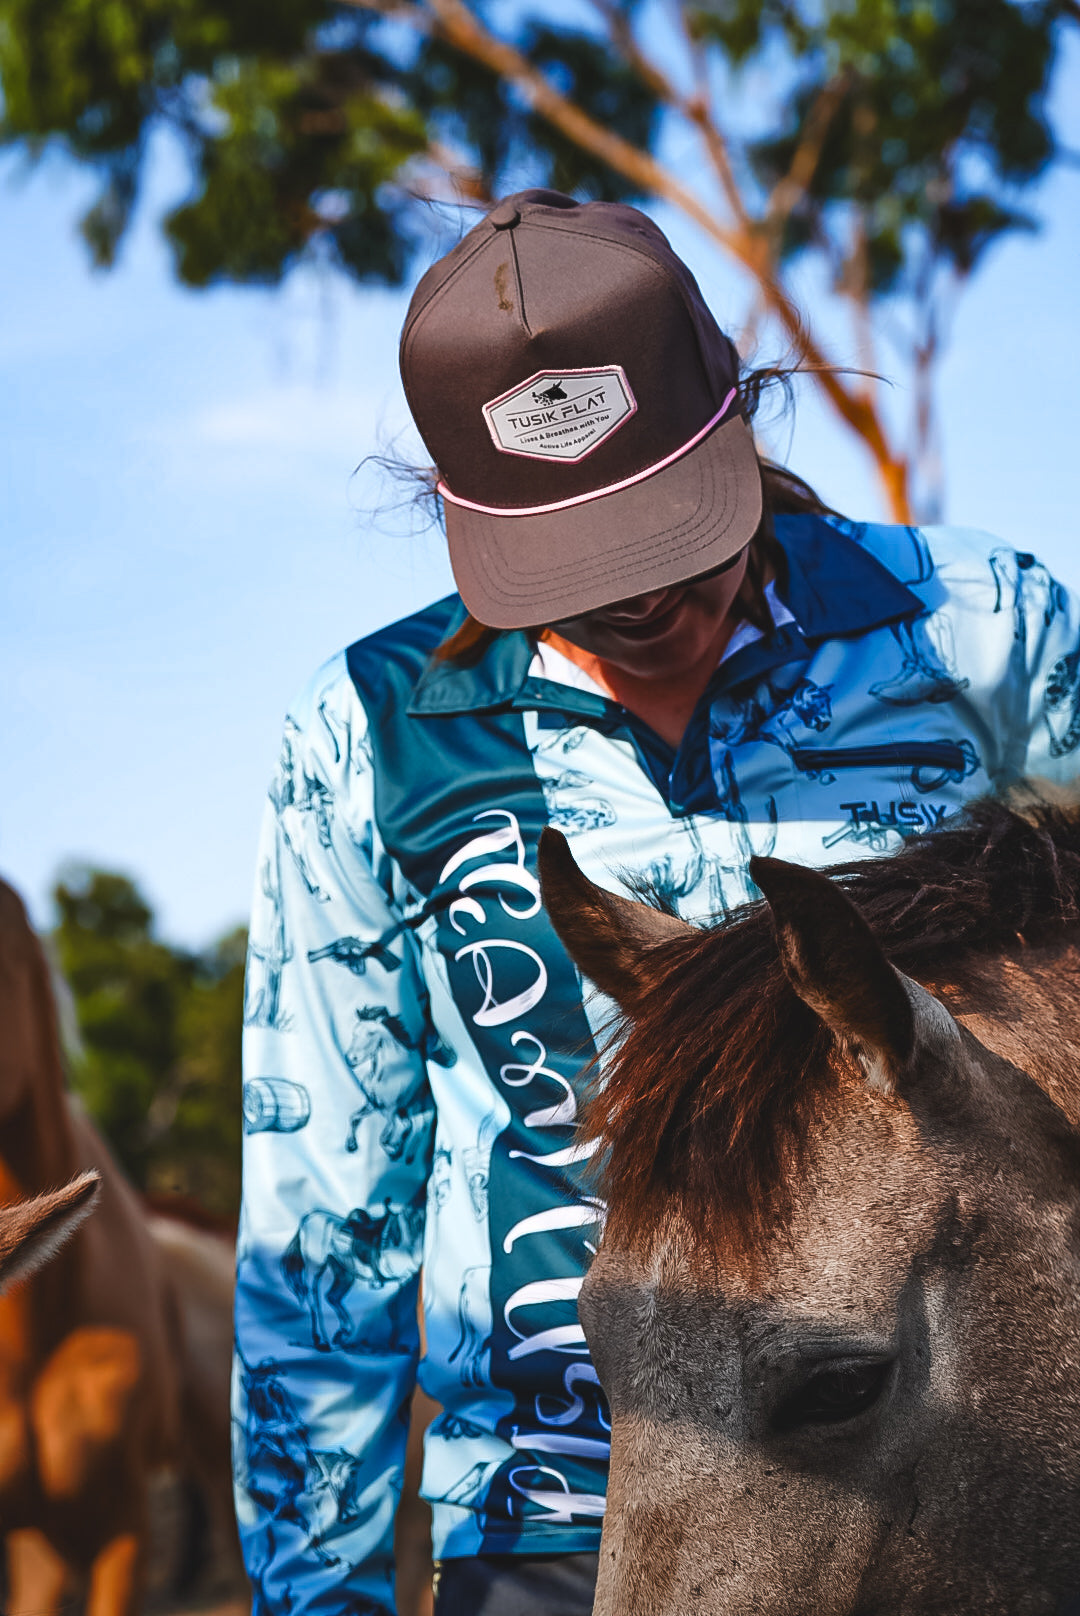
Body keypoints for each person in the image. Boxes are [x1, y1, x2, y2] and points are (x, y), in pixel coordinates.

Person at [233, 188, 1080, 1616]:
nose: (641, 607)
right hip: (548, 1516)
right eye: (574, 564)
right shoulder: (372, 736)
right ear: (458, 515)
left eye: (666, 528)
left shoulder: (982, 631)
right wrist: (319, 1595)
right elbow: (328, 1228)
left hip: (964, 1496)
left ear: (733, 412)